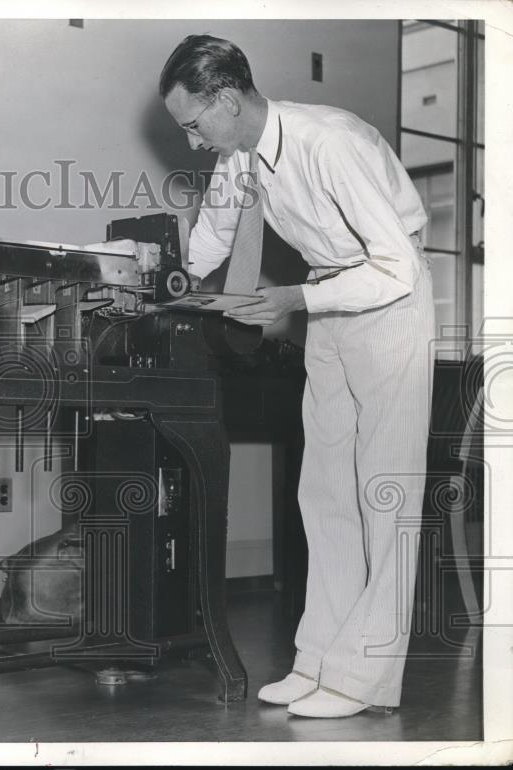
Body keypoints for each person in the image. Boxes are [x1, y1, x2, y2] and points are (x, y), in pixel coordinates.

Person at [158, 34, 435, 718]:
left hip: (388, 301)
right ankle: (320, 662)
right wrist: (165, 279)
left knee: (386, 491)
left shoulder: (327, 141)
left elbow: (394, 268)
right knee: (326, 492)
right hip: (326, 299)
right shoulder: (239, 158)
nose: (192, 142)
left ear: (226, 100)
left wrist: (294, 301)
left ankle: (365, 676)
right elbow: (211, 243)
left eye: (193, 125)